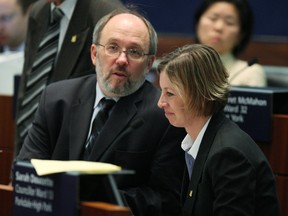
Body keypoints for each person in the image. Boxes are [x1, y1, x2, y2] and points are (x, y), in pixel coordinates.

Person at [16, 8, 186, 216]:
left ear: (149, 63)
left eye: (134, 51)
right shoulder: (56, 98)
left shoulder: (164, 115)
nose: (122, 60)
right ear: (95, 54)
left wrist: (86, 201)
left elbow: (165, 199)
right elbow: (26, 171)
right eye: (113, 47)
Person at [157, 44, 280, 216]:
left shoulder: (228, 154)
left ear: (199, 94)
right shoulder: (201, 140)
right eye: (161, 92)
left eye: (169, 93)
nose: (160, 103)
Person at [14, 0, 123, 158]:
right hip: (31, 145)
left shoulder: (107, 14)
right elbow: (29, 84)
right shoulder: (39, 10)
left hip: (74, 155)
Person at [194, 0, 267, 87]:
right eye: (213, 18)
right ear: (198, 24)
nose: (218, 27)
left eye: (229, 22)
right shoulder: (179, 67)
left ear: (241, 35)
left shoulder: (249, 72)